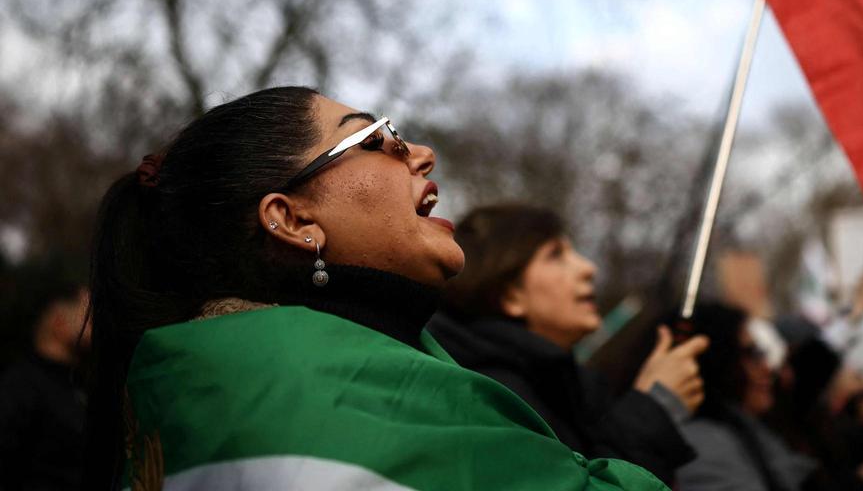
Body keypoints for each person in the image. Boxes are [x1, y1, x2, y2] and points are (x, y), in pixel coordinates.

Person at [85, 86, 668, 490]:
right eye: (375, 138)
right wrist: (652, 420)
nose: (419, 153)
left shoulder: (228, 384)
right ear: (292, 220)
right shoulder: (311, 396)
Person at [428, 204, 707, 485]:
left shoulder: (568, 388)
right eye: (555, 255)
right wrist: (653, 410)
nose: (588, 268)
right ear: (510, 295)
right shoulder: (492, 401)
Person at [674, 301, 820, 491]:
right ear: (717, 361)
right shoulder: (703, 445)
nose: (769, 369)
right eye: (752, 354)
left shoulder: (748, 428)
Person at [0, 258, 91, 490]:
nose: (98, 322)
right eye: (88, 314)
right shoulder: (20, 388)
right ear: (59, 324)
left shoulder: (82, 383)